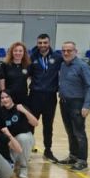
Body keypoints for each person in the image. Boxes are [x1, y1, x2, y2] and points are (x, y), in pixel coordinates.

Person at [58, 41, 90, 171]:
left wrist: (87, 105)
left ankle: (82, 161)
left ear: (75, 52)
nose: (66, 53)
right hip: (64, 103)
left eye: (69, 50)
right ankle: (73, 156)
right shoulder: (63, 65)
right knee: (70, 131)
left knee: (79, 133)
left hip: (77, 104)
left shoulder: (82, 66)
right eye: (64, 50)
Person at [29, 33, 62, 162]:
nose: (42, 45)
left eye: (45, 42)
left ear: (49, 43)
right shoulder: (31, 57)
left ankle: (48, 150)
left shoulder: (57, 57)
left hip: (50, 97)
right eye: (40, 43)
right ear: (37, 44)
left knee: (48, 125)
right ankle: (28, 149)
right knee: (30, 124)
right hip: (35, 96)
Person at [0, 89, 39, 178]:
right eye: (2, 98)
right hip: (11, 141)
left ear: (12, 98)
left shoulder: (20, 107)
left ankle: (24, 167)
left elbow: (35, 123)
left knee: (22, 138)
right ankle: (11, 164)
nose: (5, 99)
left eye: (7, 97)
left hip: (26, 139)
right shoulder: (0, 111)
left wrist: (24, 111)